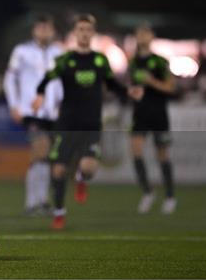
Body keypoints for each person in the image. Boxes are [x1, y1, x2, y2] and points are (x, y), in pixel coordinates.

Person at [32, 14, 141, 229]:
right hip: (67, 124)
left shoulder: (100, 60)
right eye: (80, 29)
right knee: (59, 170)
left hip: (91, 123)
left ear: (92, 33)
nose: (84, 33)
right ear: (76, 33)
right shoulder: (65, 60)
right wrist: (40, 94)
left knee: (89, 168)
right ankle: (59, 212)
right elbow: (46, 79)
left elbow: (112, 84)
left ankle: (82, 178)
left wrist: (128, 91)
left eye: (87, 29)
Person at [3, 14, 63, 215]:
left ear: (53, 30)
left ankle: (40, 201)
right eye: (41, 27)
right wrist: (14, 105)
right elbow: (10, 79)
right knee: (41, 150)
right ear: (34, 30)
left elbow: (63, 83)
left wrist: (63, 105)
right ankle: (33, 202)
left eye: (48, 27)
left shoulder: (59, 52)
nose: (44, 30)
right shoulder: (22, 51)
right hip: (32, 111)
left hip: (53, 113)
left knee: (45, 157)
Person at [128, 24, 176, 214]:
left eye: (145, 33)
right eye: (139, 33)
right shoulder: (132, 63)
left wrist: (152, 82)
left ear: (152, 36)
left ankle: (170, 196)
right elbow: (133, 87)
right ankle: (148, 192)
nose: (142, 36)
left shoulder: (160, 62)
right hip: (139, 113)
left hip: (158, 114)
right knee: (136, 152)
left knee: (162, 155)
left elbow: (171, 88)